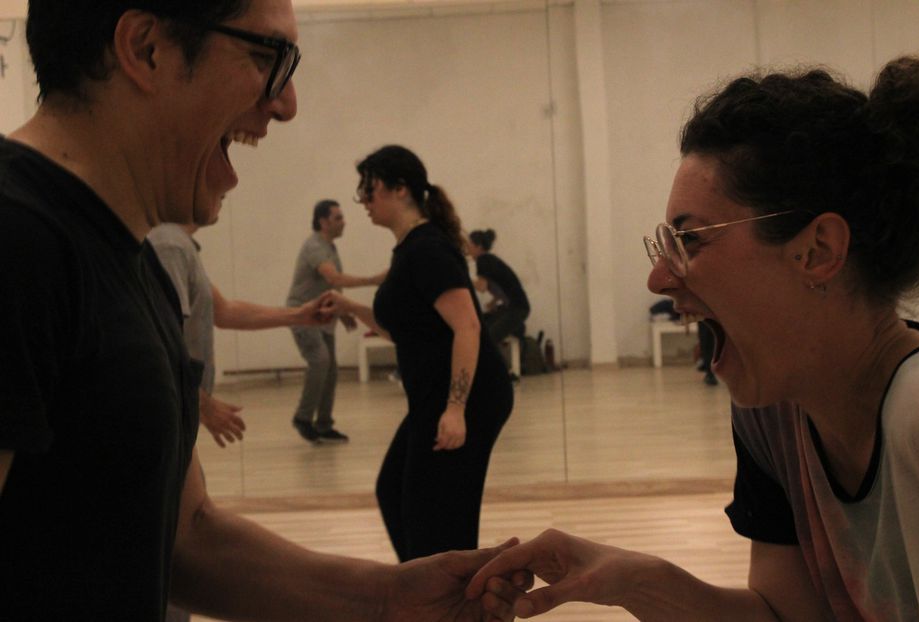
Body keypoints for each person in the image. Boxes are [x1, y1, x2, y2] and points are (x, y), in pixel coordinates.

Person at [0, 2, 528, 619]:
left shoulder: (135, 263)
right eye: (267, 56)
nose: (287, 102)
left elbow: (187, 534)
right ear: (147, 49)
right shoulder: (15, 242)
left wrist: (389, 599)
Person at [467, 57, 919, 620]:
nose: (659, 277)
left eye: (689, 241)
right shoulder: (774, 414)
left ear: (817, 251)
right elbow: (786, 616)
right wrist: (639, 582)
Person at [328, 145, 514, 562]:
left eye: (369, 189)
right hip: (435, 397)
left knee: (437, 518)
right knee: (394, 491)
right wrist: (351, 308)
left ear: (400, 189)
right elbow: (407, 331)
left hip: (466, 398)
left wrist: (456, 409)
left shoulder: (428, 248)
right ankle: (426, 593)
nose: (363, 201)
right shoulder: (410, 249)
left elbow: (467, 326)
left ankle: (444, 600)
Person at [150, 222, 335, 449]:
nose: (229, 187)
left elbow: (225, 312)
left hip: (182, 411)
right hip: (169, 413)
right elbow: (163, 336)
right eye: (216, 185)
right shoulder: (169, 245)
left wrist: (300, 315)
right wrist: (200, 401)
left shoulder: (179, 244)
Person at [286, 199, 385, 444]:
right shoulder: (315, 247)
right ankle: (303, 417)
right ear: (323, 221)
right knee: (320, 361)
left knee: (330, 370)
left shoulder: (330, 247)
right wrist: (374, 280)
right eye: (338, 218)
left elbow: (333, 286)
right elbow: (334, 276)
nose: (344, 222)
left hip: (324, 317)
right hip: (304, 315)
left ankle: (323, 424)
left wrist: (344, 313)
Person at [466, 229, 531, 347]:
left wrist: (464, 278)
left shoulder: (483, 260)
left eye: (469, 244)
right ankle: (518, 328)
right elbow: (501, 286)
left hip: (517, 309)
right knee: (483, 324)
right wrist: (493, 302)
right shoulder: (489, 259)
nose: (467, 248)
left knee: (487, 339)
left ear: (479, 246)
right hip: (516, 307)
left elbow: (482, 287)